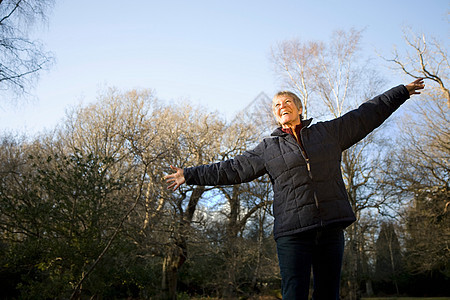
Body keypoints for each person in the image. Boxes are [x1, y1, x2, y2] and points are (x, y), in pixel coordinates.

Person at [165, 78, 425, 299]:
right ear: (275, 115)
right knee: (294, 293)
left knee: (328, 293)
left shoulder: (329, 132)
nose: (282, 106)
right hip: (292, 232)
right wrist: (189, 174)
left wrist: (400, 92)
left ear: (299, 107)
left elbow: (366, 114)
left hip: (330, 227)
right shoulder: (267, 149)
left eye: (287, 102)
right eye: (277, 105)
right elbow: (230, 169)